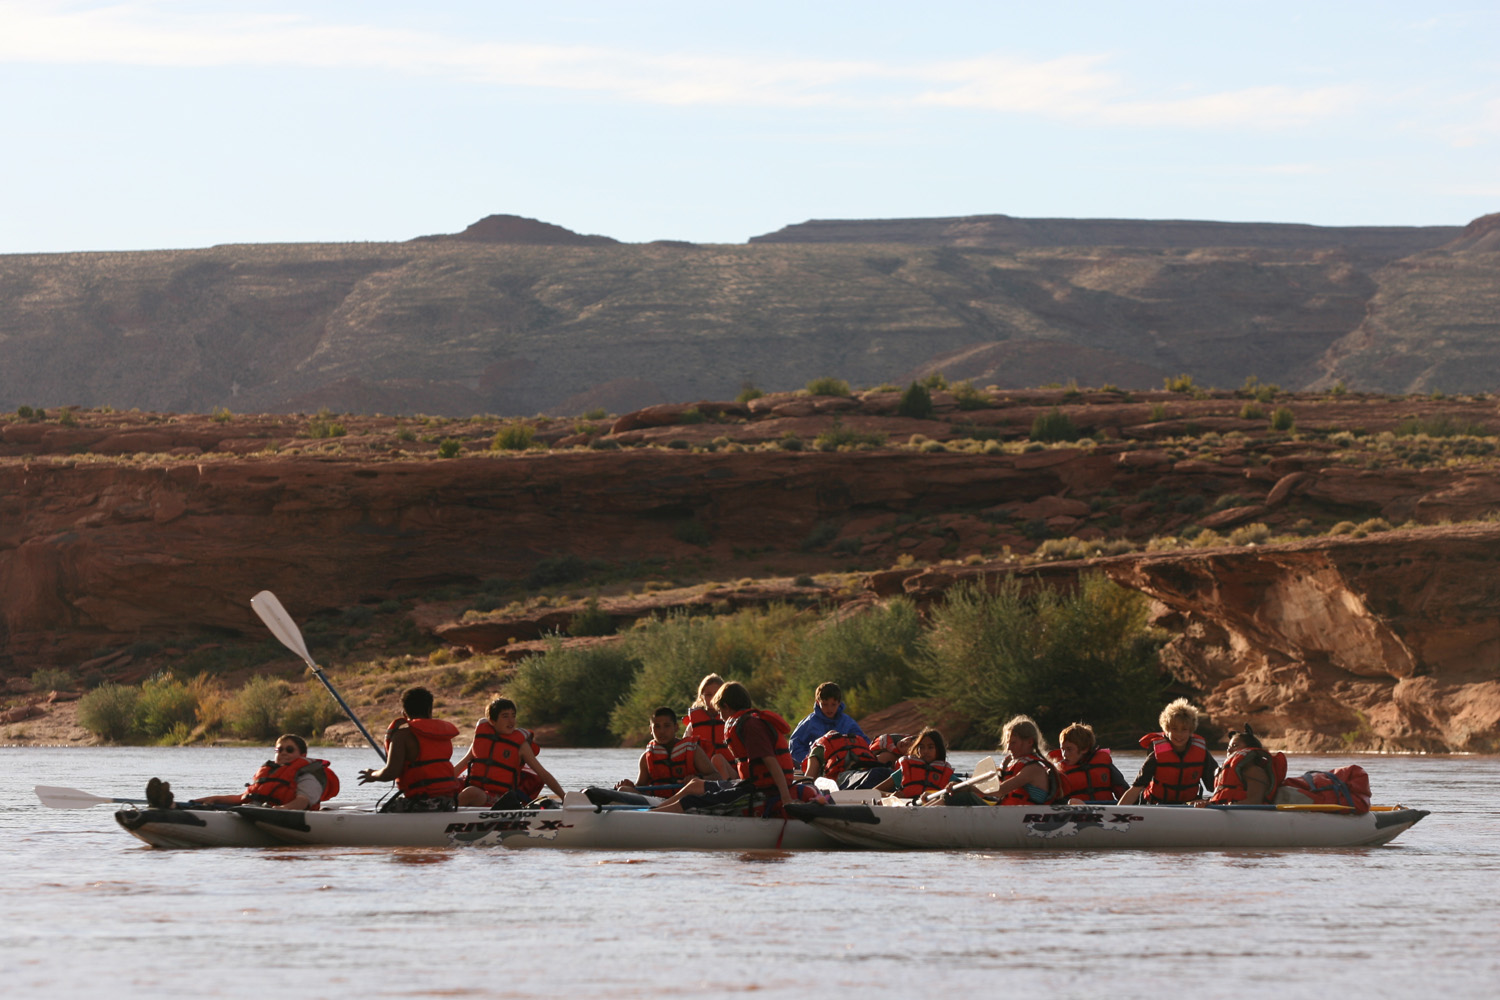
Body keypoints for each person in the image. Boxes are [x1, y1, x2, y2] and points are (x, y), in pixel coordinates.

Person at [652, 681, 817, 818]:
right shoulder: (744, 723)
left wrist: (786, 798)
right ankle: (651, 812)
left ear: (726, 707)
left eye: (720, 711)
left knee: (691, 801)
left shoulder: (751, 726)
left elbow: (771, 762)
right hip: (749, 784)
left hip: (764, 791)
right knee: (696, 785)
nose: (720, 716)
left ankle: (650, 819)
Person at [145, 734, 339, 810]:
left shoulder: (308, 774)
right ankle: (165, 804)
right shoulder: (270, 772)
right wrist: (214, 798)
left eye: (290, 750)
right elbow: (244, 797)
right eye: (280, 750)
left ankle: (168, 807)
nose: (284, 754)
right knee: (210, 806)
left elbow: (301, 802)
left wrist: (276, 812)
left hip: (278, 817)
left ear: (302, 754)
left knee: (220, 812)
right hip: (253, 811)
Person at [358, 687, 463, 812]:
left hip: (420, 803)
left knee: (382, 810)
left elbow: (391, 772)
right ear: (430, 710)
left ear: (404, 713)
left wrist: (372, 775)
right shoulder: (442, 736)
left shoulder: (402, 736)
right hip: (448, 803)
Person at [453, 697, 565, 808]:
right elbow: (463, 763)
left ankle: (444, 812)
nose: (511, 721)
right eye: (505, 716)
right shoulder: (482, 738)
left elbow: (543, 774)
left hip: (501, 799)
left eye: (513, 716)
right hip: (475, 792)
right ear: (492, 721)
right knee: (446, 788)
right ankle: (444, 809)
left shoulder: (521, 746)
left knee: (471, 793)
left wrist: (564, 797)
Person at [1118, 698, 1219, 805]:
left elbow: (1217, 786)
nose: (1179, 734)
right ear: (1166, 730)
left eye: (1184, 729)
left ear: (1191, 731)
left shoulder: (1201, 753)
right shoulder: (1156, 755)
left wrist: (1208, 802)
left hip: (1189, 806)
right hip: (1156, 805)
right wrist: (1116, 813)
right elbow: (1136, 788)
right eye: (1174, 729)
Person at [618, 706, 721, 795]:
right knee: (623, 790)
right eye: (657, 727)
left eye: (667, 726)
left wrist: (698, 778)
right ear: (651, 730)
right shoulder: (646, 758)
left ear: (676, 727)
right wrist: (630, 786)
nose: (662, 731)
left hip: (688, 799)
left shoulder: (693, 750)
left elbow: (717, 777)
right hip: (657, 801)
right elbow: (640, 787)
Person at [982, 715, 1061, 805]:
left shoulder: (1034, 768)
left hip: (1023, 813)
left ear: (1030, 742)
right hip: (1005, 809)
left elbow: (1000, 790)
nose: (1008, 748)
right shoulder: (1009, 762)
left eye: (1013, 742)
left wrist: (970, 788)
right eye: (1008, 743)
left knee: (966, 796)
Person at [1202, 724, 1285, 805]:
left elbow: (1254, 801)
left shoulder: (1255, 771)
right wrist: (1206, 803)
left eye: (1234, 745)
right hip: (1226, 810)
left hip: (1245, 813)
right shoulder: (1224, 772)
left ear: (1249, 748)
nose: (1229, 749)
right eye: (1228, 746)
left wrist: (1231, 806)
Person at [788, 682, 867, 765]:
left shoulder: (847, 722)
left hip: (844, 765)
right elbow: (794, 746)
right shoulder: (809, 723)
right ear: (818, 702)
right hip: (817, 768)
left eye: (833, 704)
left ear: (839, 703)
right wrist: (810, 761)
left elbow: (863, 742)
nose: (829, 709)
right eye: (825, 704)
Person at [1047, 723, 1128, 804]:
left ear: (1084, 749)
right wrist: (1067, 802)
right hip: (1075, 812)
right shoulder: (1057, 772)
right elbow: (1051, 799)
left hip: (1108, 810)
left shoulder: (1103, 764)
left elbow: (1125, 793)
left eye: (1069, 749)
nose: (1064, 754)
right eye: (1062, 749)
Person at [681, 673, 734, 779]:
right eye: (708, 695)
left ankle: (726, 790)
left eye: (716, 694)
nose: (713, 698)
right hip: (705, 773)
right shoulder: (694, 724)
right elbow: (684, 750)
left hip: (731, 771)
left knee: (718, 759)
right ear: (702, 697)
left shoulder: (731, 719)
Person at [873, 728, 953, 799]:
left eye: (930, 747)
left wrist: (954, 784)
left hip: (933, 807)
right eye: (921, 747)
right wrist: (889, 795)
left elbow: (964, 787)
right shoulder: (906, 771)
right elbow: (874, 792)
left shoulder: (946, 773)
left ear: (939, 750)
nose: (925, 751)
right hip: (906, 807)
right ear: (916, 749)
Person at [801, 729, 889, 789]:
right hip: (883, 773)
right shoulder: (855, 741)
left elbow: (808, 780)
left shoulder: (819, 747)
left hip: (852, 779)